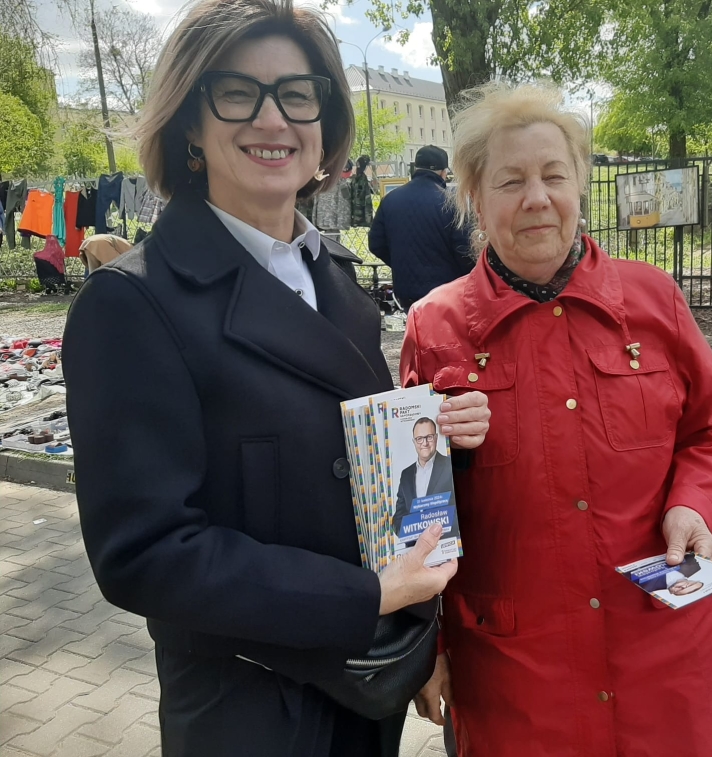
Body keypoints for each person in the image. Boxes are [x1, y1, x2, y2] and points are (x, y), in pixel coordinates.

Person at [62, 1, 491, 755]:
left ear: (324, 123)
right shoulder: (132, 302)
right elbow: (144, 552)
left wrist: (437, 438)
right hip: (252, 709)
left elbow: (343, 468)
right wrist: (363, 596)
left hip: (366, 688)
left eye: (297, 95)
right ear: (190, 123)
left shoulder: (338, 282)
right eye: (238, 92)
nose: (273, 119)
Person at [402, 82, 712, 757]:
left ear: (580, 183)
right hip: (517, 676)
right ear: (475, 197)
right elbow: (416, 506)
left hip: (660, 651)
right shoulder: (435, 326)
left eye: (554, 175)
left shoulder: (653, 299)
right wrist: (428, 642)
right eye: (511, 181)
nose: (537, 197)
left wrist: (695, 503)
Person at [369, 145, 474, 311]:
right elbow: (465, 250)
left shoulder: (390, 199)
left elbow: (376, 244)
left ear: (415, 168)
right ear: (443, 172)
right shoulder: (451, 203)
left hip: (406, 292)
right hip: (445, 292)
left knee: (414, 327)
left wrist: (402, 263)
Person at [391, 417, 457, 538]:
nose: (425, 443)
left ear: (436, 438)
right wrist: (407, 533)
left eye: (429, 437)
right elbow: (399, 514)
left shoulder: (450, 465)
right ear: (414, 442)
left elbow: (461, 508)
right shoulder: (406, 474)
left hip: (446, 542)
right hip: (415, 546)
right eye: (419, 439)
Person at [349, 154, 374, 227]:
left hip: (355, 215)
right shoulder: (360, 179)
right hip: (361, 214)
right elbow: (367, 200)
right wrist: (368, 220)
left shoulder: (355, 178)